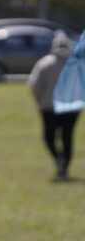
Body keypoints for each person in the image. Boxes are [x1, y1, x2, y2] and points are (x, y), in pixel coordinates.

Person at [29, 30, 79, 179]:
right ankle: (63, 166)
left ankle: (59, 161)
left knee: (49, 137)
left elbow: (34, 87)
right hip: (71, 107)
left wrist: (40, 101)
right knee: (67, 137)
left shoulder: (46, 63)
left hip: (49, 107)